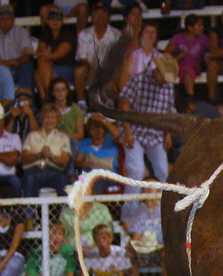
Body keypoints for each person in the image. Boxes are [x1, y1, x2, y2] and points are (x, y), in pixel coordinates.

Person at [119, 56, 176, 189]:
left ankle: (161, 207)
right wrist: (127, 132)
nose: (165, 81)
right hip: (134, 131)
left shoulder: (168, 86)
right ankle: (130, 209)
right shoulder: (138, 80)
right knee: (136, 172)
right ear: (157, 71)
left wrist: (168, 134)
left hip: (156, 133)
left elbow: (168, 112)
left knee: (164, 172)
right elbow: (124, 105)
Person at [121, 178, 168, 276]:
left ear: (158, 190)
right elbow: (136, 236)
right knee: (129, 253)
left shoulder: (165, 208)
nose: (148, 189)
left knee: (167, 253)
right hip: (145, 248)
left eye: (151, 186)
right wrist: (132, 245)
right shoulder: (138, 211)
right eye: (145, 187)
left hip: (161, 247)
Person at [0, 5, 35, 92]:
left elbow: (28, 55)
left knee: (26, 68)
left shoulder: (21, 32)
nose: (5, 21)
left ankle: (27, 102)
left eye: (8, 18)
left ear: (13, 19)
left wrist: (17, 61)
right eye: (2, 19)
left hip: (18, 68)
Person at [21, 104, 72, 198]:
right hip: (34, 171)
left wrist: (51, 156)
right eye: (47, 117)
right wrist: (40, 155)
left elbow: (64, 161)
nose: (50, 121)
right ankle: (29, 212)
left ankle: (65, 211)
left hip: (55, 171)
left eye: (53, 117)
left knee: (64, 180)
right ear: (41, 119)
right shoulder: (31, 136)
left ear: (57, 120)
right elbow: (24, 158)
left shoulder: (63, 138)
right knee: (29, 179)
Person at [74, 1, 120, 103]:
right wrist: (93, 69)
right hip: (90, 69)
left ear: (108, 17)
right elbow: (82, 58)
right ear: (92, 17)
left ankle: (110, 104)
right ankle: (81, 102)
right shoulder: (84, 34)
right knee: (79, 71)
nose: (100, 17)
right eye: (97, 14)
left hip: (109, 69)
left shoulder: (116, 35)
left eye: (103, 14)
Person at [35, 8, 77, 102]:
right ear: (47, 21)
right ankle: (45, 101)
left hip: (67, 69)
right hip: (52, 68)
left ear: (62, 22)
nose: (55, 22)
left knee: (43, 65)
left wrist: (48, 57)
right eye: (52, 19)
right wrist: (47, 57)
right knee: (37, 74)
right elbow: (41, 51)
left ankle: (50, 98)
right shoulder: (46, 34)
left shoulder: (67, 34)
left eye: (58, 19)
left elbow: (56, 55)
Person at [166, 14, 208, 99]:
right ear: (190, 27)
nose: (202, 27)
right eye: (199, 25)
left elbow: (210, 52)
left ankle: (190, 98)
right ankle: (190, 98)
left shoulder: (203, 39)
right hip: (177, 67)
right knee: (186, 70)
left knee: (188, 70)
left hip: (195, 67)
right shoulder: (178, 38)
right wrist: (178, 57)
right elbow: (165, 56)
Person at [75, 114, 120, 193]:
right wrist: (84, 163)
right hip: (90, 174)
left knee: (97, 181)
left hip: (110, 177)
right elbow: (77, 162)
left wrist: (103, 120)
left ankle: (96, 204)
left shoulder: (110, 140)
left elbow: (117, 134)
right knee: (81, 177)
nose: (97, 131)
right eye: (94, 128)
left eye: (100, 127)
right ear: (89, 130)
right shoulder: (85, 143)